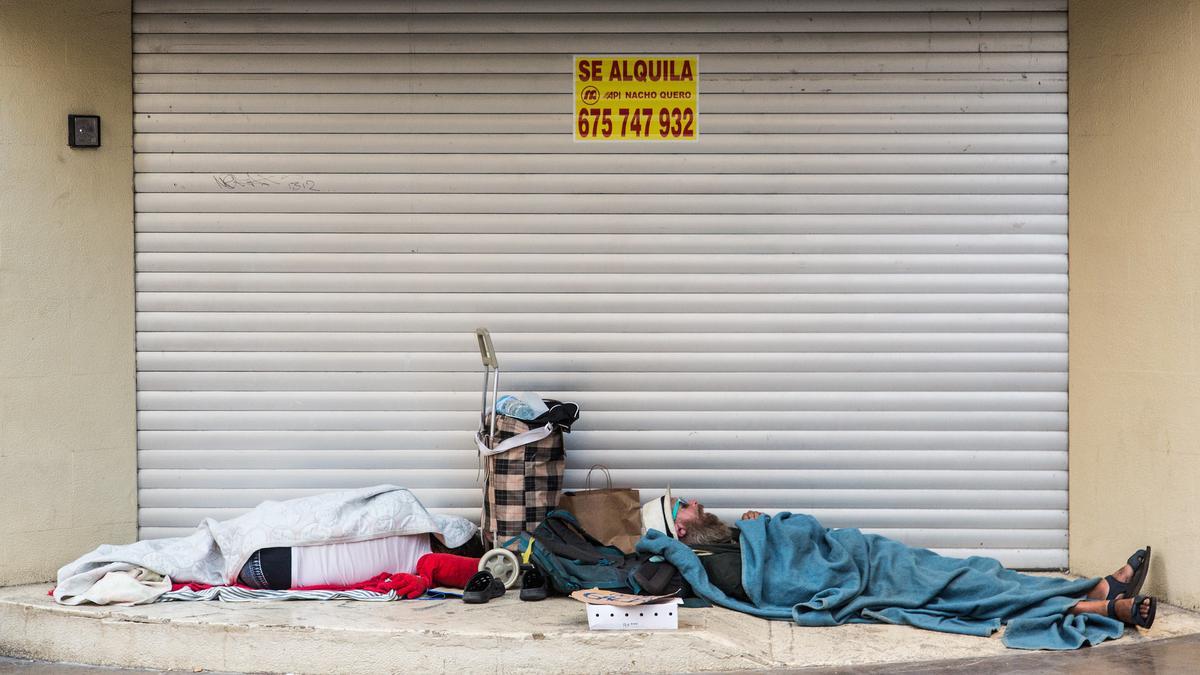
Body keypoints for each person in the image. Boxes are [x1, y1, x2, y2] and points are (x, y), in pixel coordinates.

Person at [639, 489, 1156, 632]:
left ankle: (1100, 603)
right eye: (686, 504)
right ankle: (1101, 596)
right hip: (860, 572)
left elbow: (786, 542)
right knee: (963, 585)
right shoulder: (712, 562)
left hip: (864, 556)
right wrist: (769, 530)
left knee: (973, 578)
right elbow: (785, 580)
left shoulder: (723, 539)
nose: (697, 502)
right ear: (678, 528)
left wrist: (765, 524)